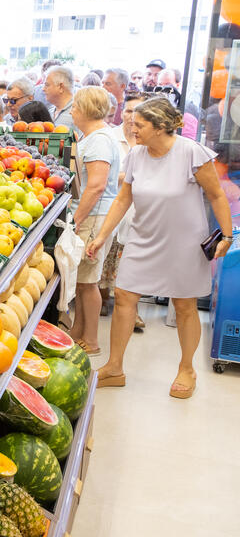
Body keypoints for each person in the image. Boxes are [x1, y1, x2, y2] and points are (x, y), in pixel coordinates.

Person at [86, 98, 233, 399]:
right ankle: (115, 366)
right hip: (143, 238)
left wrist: (227, 237)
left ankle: (187, 369)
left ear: (161, 127)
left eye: (139, 124)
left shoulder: (191, 153)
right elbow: (123, 200)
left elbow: (217, 195)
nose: (132, 127)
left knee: (184, 306)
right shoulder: (137, 155)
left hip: (185, 243)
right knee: (125, 295)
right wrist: (102, 236)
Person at [68, 87, 123, 356]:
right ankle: (78, 332)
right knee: (82, 279)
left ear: (87, 109)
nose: (72, 111)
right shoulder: (94, 136)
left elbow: (97, 186)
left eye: (75, 106)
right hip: (91, 213)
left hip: (93, 215)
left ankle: (91, 341)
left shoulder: (100, 140)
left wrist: (76, 219)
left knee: (89, 281)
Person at [99, 94, 145, 330]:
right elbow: (101, 173)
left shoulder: (147, 141)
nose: (131, 116)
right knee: (107, 252)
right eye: (128, 111)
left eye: (137, 111)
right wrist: (129, 178)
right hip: (111, 204)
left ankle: (131, 309)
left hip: (137, 210)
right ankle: (103, 298)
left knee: (130, 259)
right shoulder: (110, 137)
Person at [43, 65, 76, 132]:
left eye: (47, 85)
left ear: (61, 87)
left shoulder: (79, 113)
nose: (43, 89)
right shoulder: (50, 111)